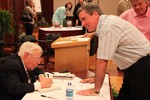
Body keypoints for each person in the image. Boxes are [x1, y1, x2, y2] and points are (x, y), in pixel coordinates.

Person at [76, 3, 150, 100]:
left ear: (95, 14)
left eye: (84, 19)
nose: (83, 24)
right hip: (134, 67)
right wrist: (96, 78)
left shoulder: (107, 27)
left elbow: (102, 61)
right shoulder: (106, 22)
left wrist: (96, 89)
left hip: (143, 68)